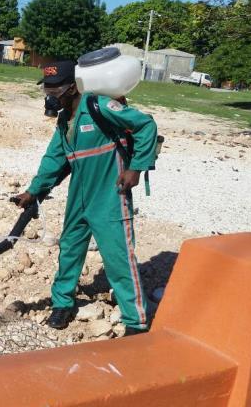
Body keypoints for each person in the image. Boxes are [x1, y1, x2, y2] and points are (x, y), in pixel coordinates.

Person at [14, 59, 158, 336]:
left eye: (55, 89)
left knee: (118, 258)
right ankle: (62, 303)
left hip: (109, 194)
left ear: (72, 87)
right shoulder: (63, 120)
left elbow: (145, 125)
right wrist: (33, 192)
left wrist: (136, 168)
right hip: (79, 194)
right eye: (47, 88)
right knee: (69, 249)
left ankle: (136, 323)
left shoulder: (99, 106)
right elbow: (55, 159)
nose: (50, 94)